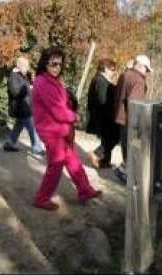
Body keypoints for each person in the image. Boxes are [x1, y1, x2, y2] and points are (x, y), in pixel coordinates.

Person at [32, 46, 102, 210]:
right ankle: (41, 198)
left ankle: (85, 190)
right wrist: (74, 117)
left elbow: (64, 102)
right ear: (45, 63)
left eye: (60, 64)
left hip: (62, 130)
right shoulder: (43, 82)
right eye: (53, 64)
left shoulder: (54, 80)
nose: (57, 67)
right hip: (52, 131)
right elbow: (58, 110)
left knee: (73, 161)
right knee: (56, 165)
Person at [113, 54, 153, 183]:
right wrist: (138, 124)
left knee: (126, 147)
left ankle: (124, 171)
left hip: (121, 117)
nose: (146, 73)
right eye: (146, 69)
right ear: (140, 66)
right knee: (133, 149)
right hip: (131, 121)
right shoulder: (139, 80)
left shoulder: (125, 75)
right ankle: (126, 174)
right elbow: (135, 104)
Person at [3, 57, 45, 155]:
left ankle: (9, 143)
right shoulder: (14, 76)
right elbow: (15, 92)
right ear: (20, 65)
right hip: (22, 107)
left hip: (26, 106)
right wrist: (28, 87)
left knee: (18, 127)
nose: (27, 68)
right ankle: (37, 148)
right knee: (33, 127)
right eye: (26, 66)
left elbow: (26, 90)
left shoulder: (22, 76)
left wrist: (31, 85)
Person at [86, 58, 120, 169]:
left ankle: (104, 162)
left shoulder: (100, 79)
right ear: (105, 68)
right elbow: (102, 100)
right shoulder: (100, 80)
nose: (113, 72)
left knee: (108, 138)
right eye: (112, 69)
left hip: (102, 115)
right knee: (112, 137)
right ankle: (96, 153)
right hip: (103, 116)